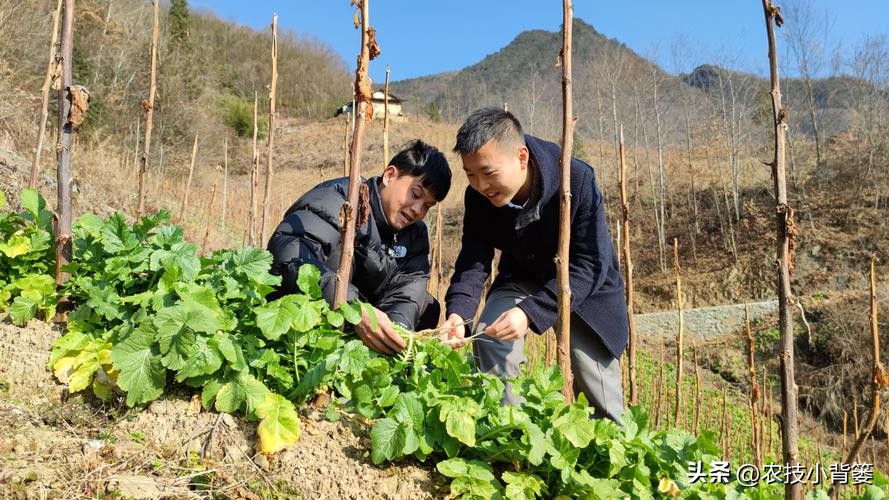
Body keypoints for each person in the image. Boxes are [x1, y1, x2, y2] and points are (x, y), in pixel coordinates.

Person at [442, 107, 626, 422]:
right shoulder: (479, 199)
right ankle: (507, 433)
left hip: (585, 288)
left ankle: (610, 458)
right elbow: (474, 258)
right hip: (522, 275)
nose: (480, 185)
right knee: (489, 335)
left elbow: (590, 265)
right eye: (470, 174)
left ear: (522, 157)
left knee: (596, 386)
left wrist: (530, 312)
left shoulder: (576, 180)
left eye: (488, 172)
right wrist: (458, 311)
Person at [268, 139, 451, 355]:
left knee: (427, 305)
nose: (417, 210)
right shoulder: (341, 199)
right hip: (308, 321)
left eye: (427, 206)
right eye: (415, 194)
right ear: (390, 175)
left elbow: (407, 292)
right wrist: (352, 307)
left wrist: (393, 335)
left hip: (358, 335)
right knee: (336, 256)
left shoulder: (415, 234)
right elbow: (288, 254)